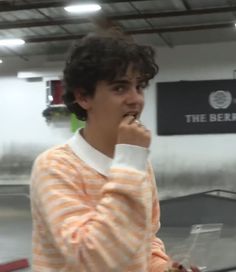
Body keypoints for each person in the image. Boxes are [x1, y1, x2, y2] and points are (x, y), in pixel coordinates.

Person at [30, 33, 170, 272]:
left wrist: (163, 267)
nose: (136, 99)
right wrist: (129, 162)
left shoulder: (137, 164)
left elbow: (145, 237)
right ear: (83, 97)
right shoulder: (54, 167)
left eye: (139, 86)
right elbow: (93, 258)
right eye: (119, 87)